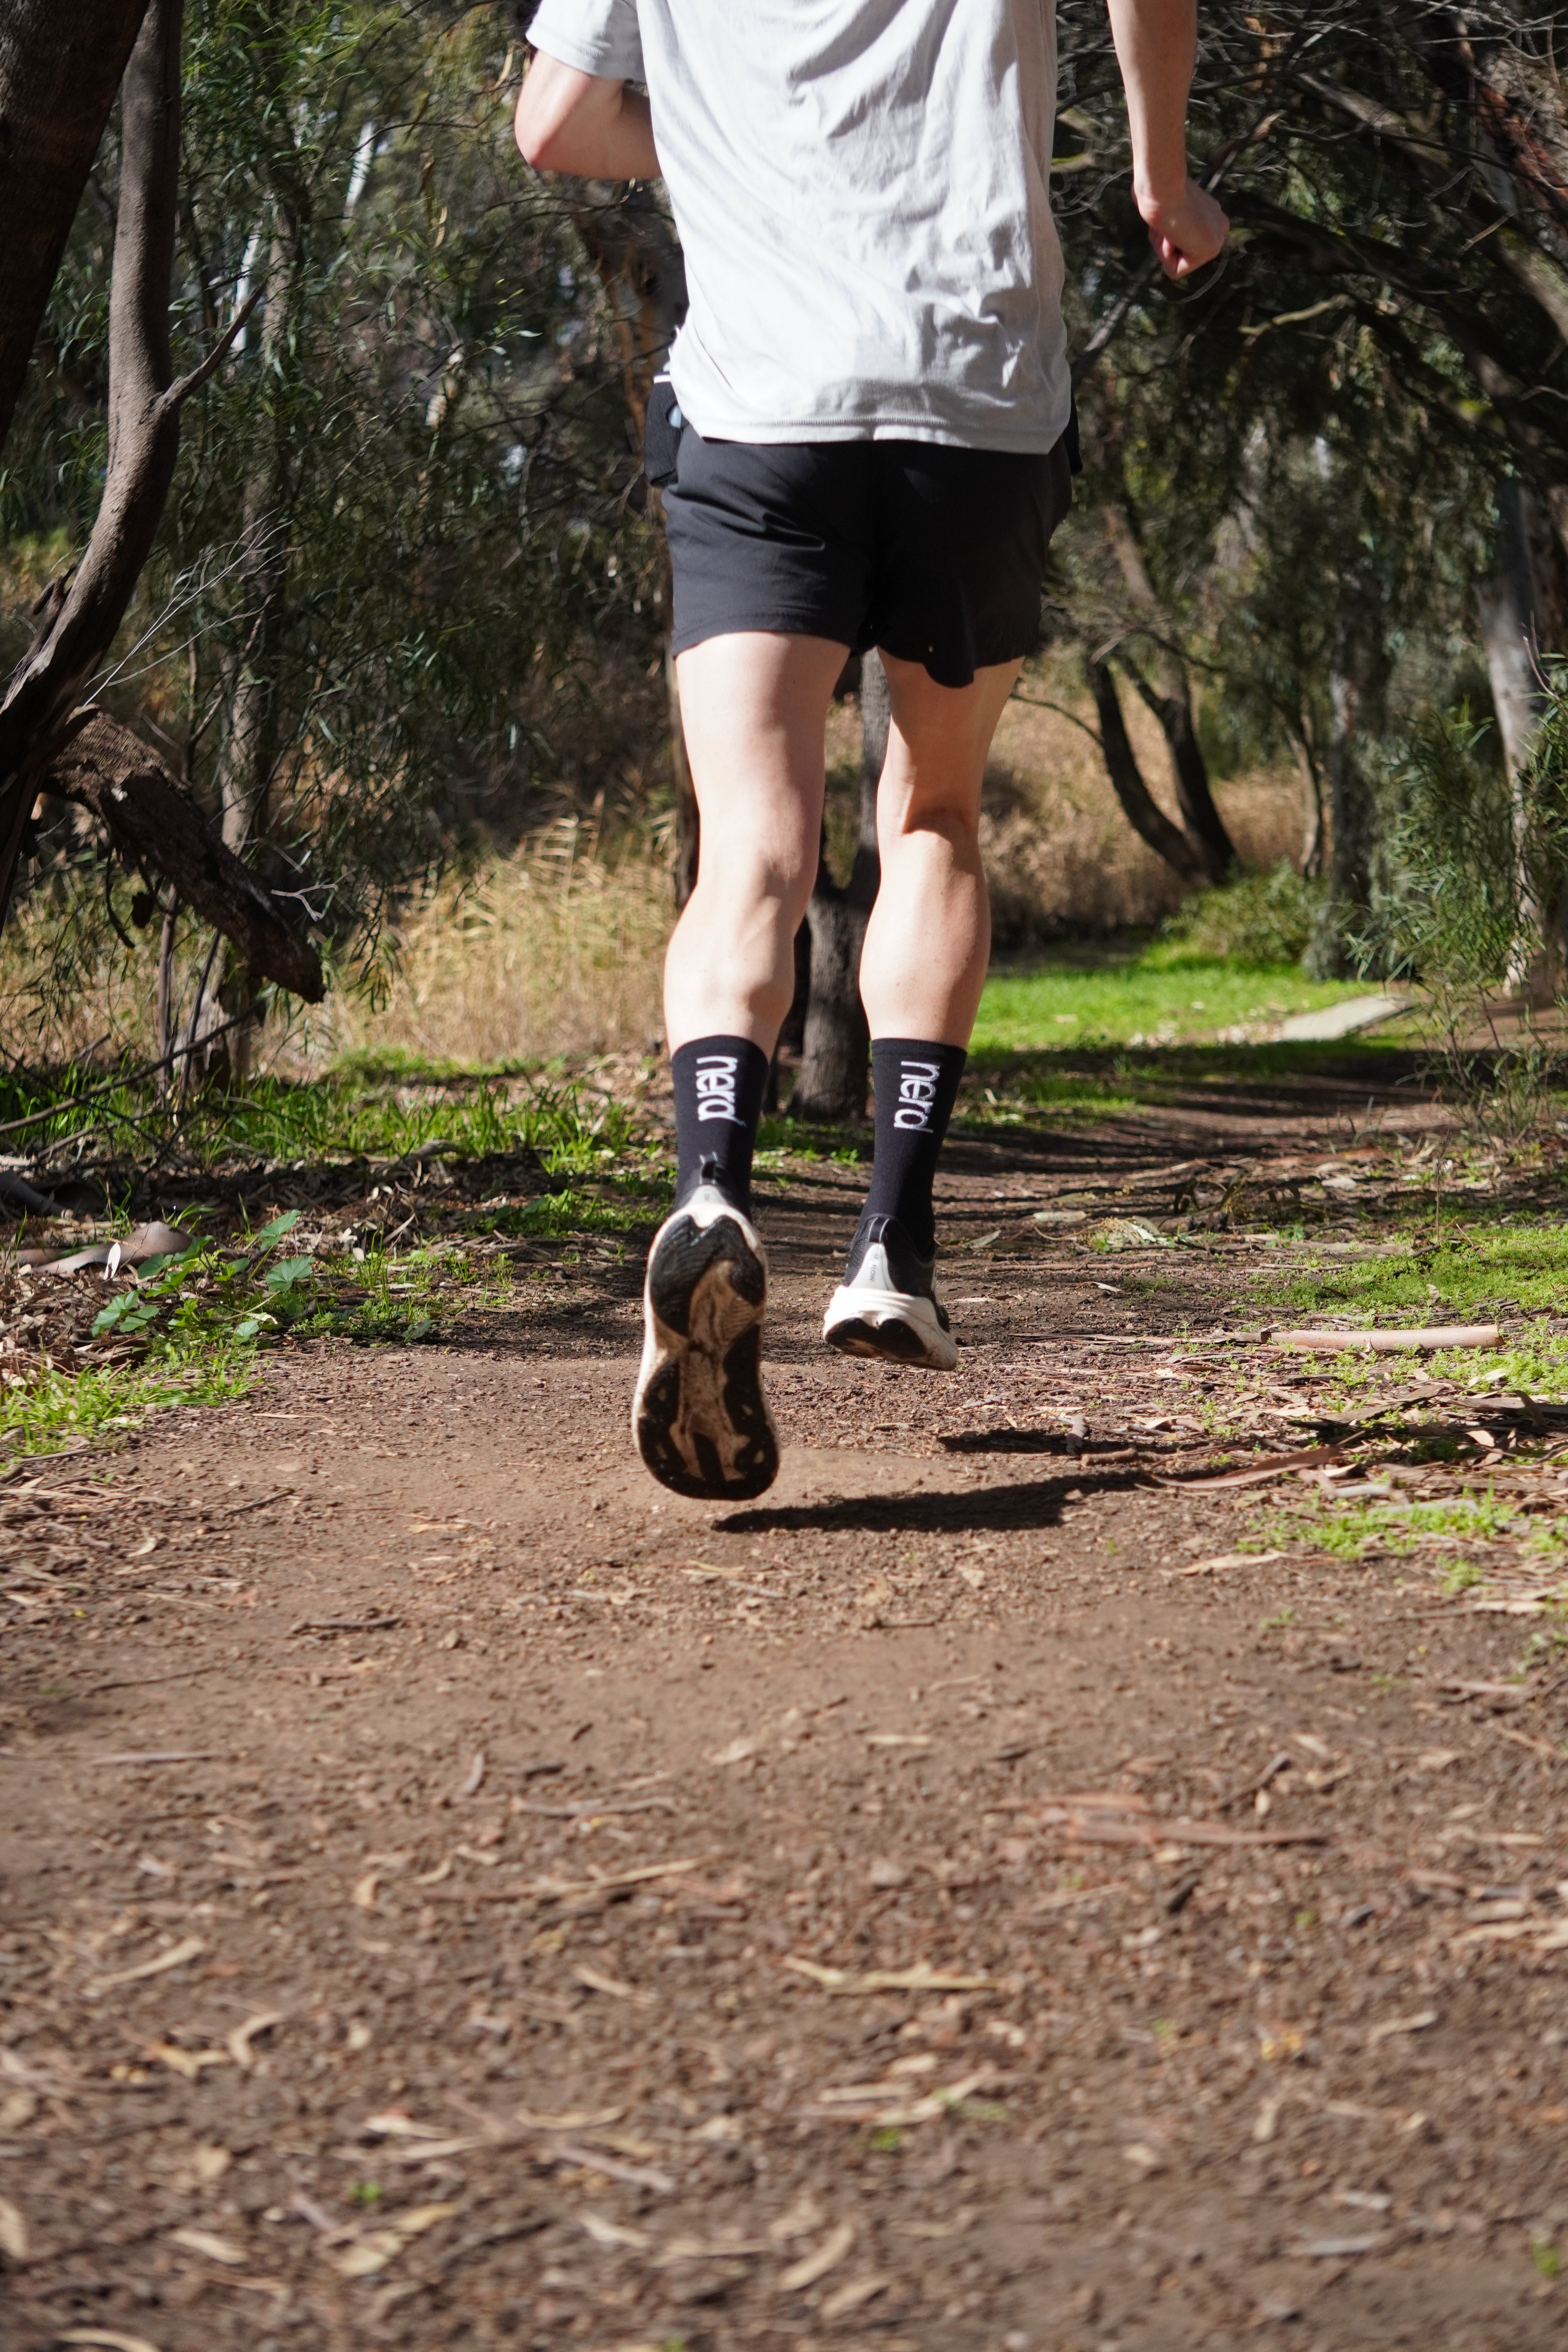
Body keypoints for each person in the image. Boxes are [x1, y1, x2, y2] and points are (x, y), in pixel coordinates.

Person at [516, 0, 1227, 1503]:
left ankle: (712, 1187)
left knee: (752, 853)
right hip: (975, 403)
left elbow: (557, 123)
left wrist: (730, 152)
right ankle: (892, 1245)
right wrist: (1161, 178)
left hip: (762, 408)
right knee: (936, 814)